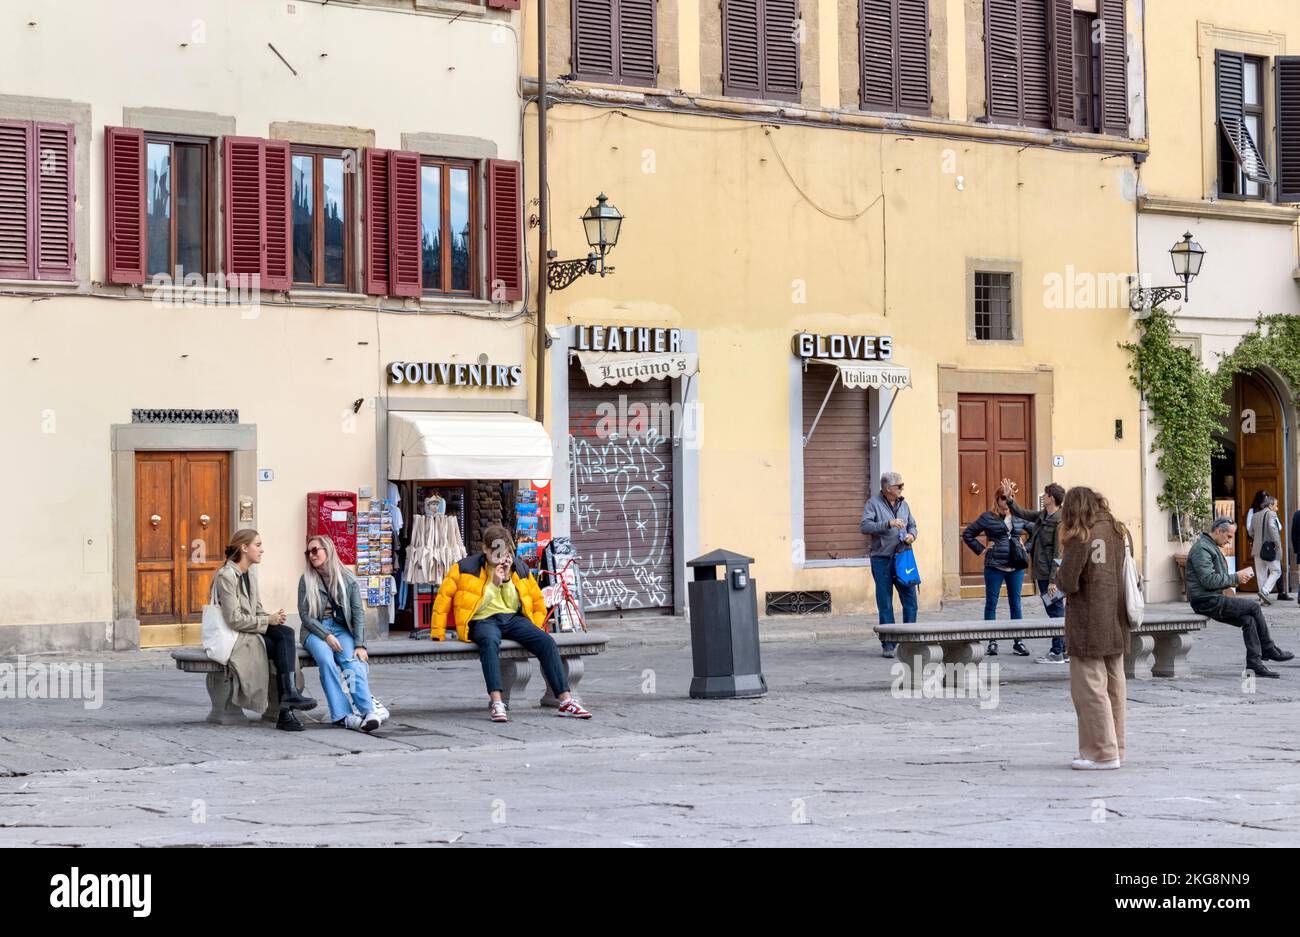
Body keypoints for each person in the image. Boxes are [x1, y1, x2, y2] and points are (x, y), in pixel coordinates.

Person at [433, 525, 592, 722]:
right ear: (485, 549)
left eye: (505, 552)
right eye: (496, 552)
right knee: (490, 643)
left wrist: (508, 581)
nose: (500, 557)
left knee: (546, 641)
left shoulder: (518, 568)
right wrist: (437, 631)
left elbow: (531, 600)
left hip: (511, 618)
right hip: (481, 619)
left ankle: (565, 700)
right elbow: (447, 599)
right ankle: (497, 702)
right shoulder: (465, 567)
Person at [214, 529, 317, 732]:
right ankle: (287, 706)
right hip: (238, 636)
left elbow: (257, 609)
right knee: (282, 646)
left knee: (285, 632)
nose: (262, 550)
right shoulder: (226, 576)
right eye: (258, 545)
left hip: (251, 629)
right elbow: (233, 619)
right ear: (244, 547)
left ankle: (288, 699)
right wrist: (266, 620)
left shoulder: (249, 574)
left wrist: (272, 618)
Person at [1057, 487, 1127, 770]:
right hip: (1116, 617)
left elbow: (1068, 581)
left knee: (1090, 688)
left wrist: (1059, 575)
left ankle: (1101, 752)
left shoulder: (1081, 535)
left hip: (1088, 620)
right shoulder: (1118, 531)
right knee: (1115, 687)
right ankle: (1116, 746)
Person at [1185, 517, 1295, 678]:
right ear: (1218, 531)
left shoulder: (1209, 546)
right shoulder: (1202, 549)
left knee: (1248, 620)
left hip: (1212, 598)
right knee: (1254, 607)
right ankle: (1269, 649)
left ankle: (1255, 663)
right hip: (1206, 601)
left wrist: (1234, 581)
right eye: (1228, 536)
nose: (1229, 541)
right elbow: (1208, 580)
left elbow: (1215, 579)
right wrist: (1235, 577)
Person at [299, 535, 387, 732]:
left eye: (315, 550)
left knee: (352, 661)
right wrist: (326, 636)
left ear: (328, 550)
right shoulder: (306, 580)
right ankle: (343, 716)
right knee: (326, 660)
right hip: (315, 631)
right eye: (308, 552)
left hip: (341, 629)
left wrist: (360, 644)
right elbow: (305, 616)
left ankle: (368, 712)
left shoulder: (347, 578)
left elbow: (358, 613)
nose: (311, 555)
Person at [1003, 479, 1067, 663]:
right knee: (1054, 609)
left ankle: (1057, 652)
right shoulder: (1043, 516)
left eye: (1046, 494)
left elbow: (1059, 552)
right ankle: (1062, 649)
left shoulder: (1059, 521)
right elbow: (1022, 513)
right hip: (1042, 572)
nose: (1044, 496)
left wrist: (1054, 580)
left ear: (1051, 498)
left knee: (1055, 610)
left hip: (1050, 575)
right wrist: (1009, 499)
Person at [962, 490, 1031, 656]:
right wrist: (981, 549)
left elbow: (1036, 532)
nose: (1007, 500)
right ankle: (992, 641)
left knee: (1016, 603)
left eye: (1011, 497)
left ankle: (1018, 642)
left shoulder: (1018, 516)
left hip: (1016, 567)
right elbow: (968, 533)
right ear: (997, 499)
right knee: (991, 603)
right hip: (995, 566)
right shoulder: (988, 517)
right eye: (1004, 497)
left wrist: (1026, 548)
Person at [859, 472, 917, 659]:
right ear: (887, 489)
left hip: (903, 557)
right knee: (885, 602)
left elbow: (913, 525)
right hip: (881, 559)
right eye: (899, 486)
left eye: (902, 485)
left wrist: (912, 535)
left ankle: (909, 641)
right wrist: (888, 523)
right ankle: (888, 644)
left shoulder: (904, 504)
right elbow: (865, 527)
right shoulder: (873, 504)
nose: (902, 489)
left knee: (910, 600)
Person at [1249, 496, 1284, 606]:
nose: (1277, 508)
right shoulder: (1271, 514)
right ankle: (1265, 591)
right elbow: (1273, 529)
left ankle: (1262, 599)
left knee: (1261, 574)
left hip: (1256, 549)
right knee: (1276, 571)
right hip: (1269, 548)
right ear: (1270, 505)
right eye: (1276, 505)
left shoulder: (1255, 516)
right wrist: (1278, 545)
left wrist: (1258, 539)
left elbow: (1250, 532)